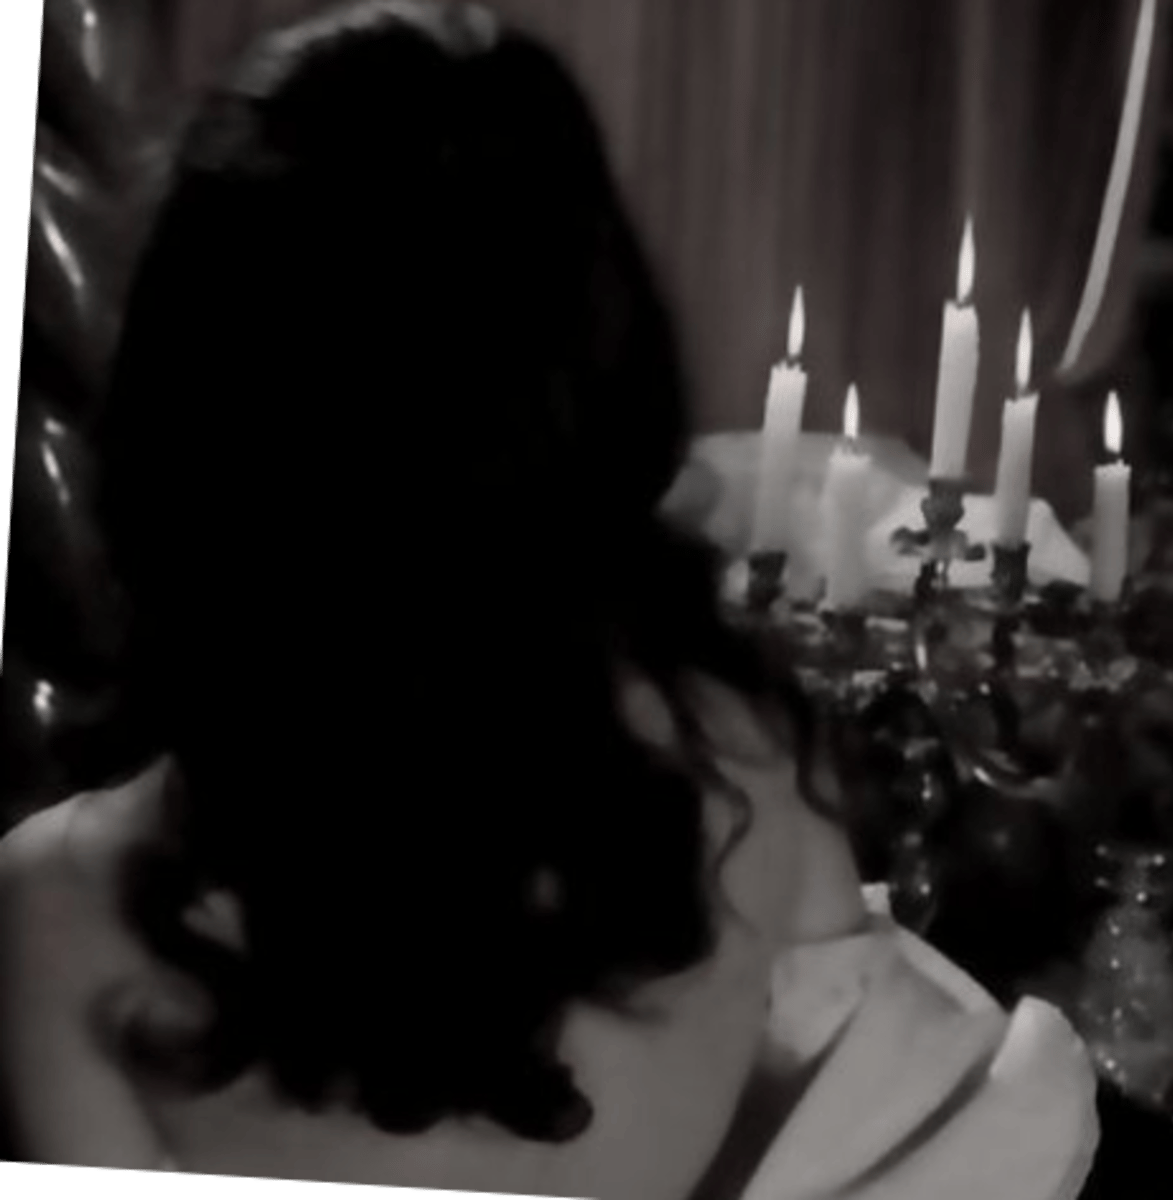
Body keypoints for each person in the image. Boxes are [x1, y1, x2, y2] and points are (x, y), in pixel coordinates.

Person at [0, 3, 1098, 1197]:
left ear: (184, 409)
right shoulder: (750, 782)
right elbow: (889, 1134)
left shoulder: (58, 906)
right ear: (602, 382)